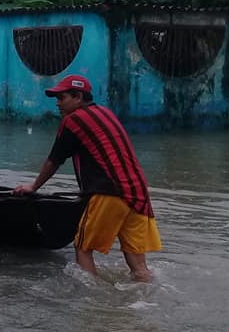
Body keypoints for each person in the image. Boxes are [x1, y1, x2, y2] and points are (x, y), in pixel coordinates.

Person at [13, 75, 162, 281]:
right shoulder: (106, 113)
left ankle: (91, 303)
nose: (57, 103)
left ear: (78, 97)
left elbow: (54, 160)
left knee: (82, 248)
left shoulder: (73, 120)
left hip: (110, 193)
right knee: (139, 266)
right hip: (138, 194)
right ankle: (144, 300)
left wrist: (33, 186)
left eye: (61, 97)